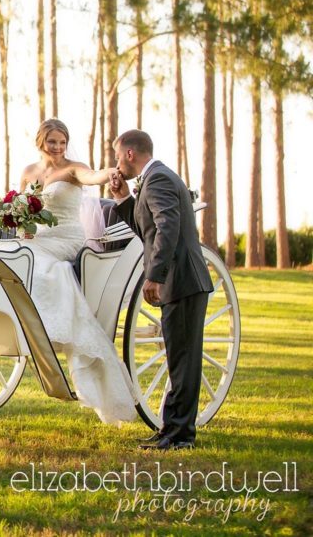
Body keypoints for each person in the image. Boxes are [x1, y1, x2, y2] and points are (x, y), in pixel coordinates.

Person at [0, 119, 138, 424]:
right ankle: (7, 319)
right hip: (35, 239)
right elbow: (16, 207)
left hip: (67, 239)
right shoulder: (29, 173)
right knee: (5, 254)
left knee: (36, 264)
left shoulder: (73, 168)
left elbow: (92, 176)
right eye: (52, 142)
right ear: (41, 142)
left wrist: (111, 173)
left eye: (62, 142)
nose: (58, 148)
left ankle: (43, 328)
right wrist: (17, 220)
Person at [110, 129, 213, 450]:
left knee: (183, 360)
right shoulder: (155, 179)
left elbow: (168, 227)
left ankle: (181, 435)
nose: (116, 163)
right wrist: (123, 199)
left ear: (129, 154)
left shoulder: (159, 180)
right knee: (178, 358)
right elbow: (149, 229)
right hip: (179, 281)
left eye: (117, 156)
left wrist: (154, 275)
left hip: (181, 280)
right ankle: (171, 430)